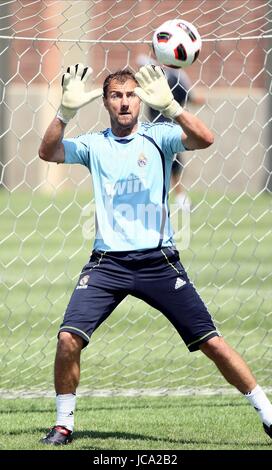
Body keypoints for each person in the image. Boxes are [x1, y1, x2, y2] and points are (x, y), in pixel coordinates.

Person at [39, 63, 272, 445]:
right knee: (67, 339)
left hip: (158, 261)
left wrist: (173, 108)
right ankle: (64, 424)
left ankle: (267, 412)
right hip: (107, 264)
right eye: (116, 95)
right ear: (106, 102)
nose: (125, 102)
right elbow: (48, 151)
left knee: (212, 342)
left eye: (131, 94)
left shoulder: (160, 135)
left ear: (141, 98)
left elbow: (207, 138)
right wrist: (64, 113)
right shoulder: (94, 144)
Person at [137, 54, 205, 212]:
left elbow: (140, 60)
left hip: (156, 129)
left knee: (166, 166)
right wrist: (200, 100)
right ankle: (178, 200)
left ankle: (179, 200)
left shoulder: (165, 76)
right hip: (168, 130)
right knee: (167, 167)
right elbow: (190, 97)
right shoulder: (175, 76)